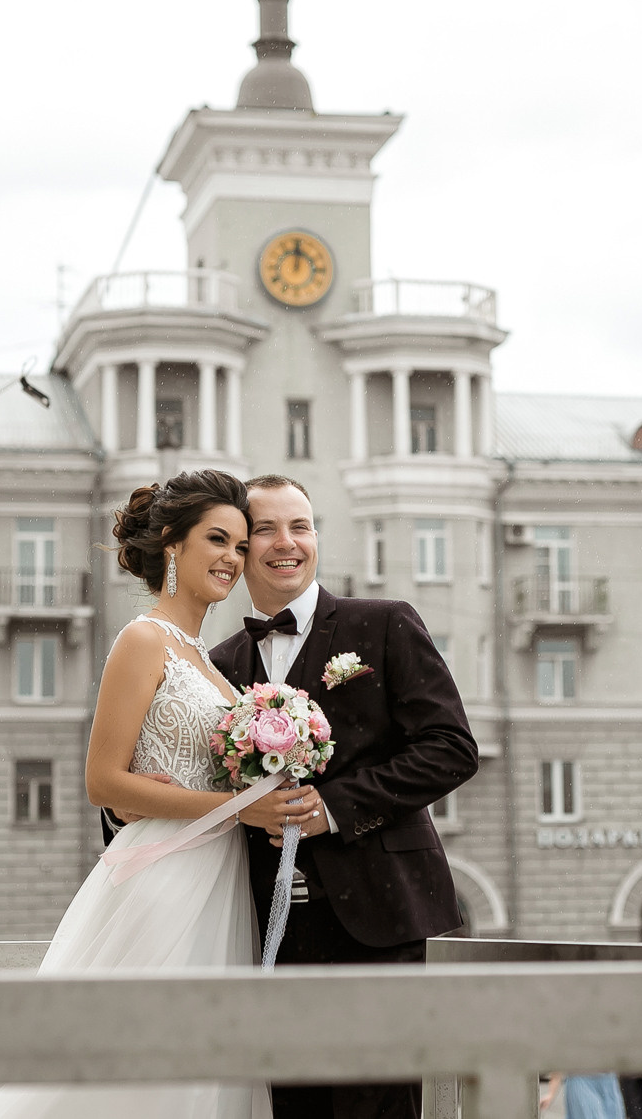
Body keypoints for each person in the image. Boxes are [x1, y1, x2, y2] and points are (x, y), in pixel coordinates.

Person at [0, 469, 304, 1119]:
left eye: (239, 543)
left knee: (199, 1060)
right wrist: (238, 806)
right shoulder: (143, 640)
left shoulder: (210, 661)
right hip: (163, 879)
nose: (233, 556)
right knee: (129, 1066)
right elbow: (103, 782)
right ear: (173, 544)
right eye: (217, 539)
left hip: (220, 881)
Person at [211, 474, 480, 1119]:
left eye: (301, 526)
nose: (288, 543)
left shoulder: (382, 624)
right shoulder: (219, 663)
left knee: (376, 1102)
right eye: (269, 529)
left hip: (379, 916)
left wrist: (334, 808)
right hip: (271, 931)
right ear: (242, 548)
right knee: (296, 1106)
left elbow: (450, 746)